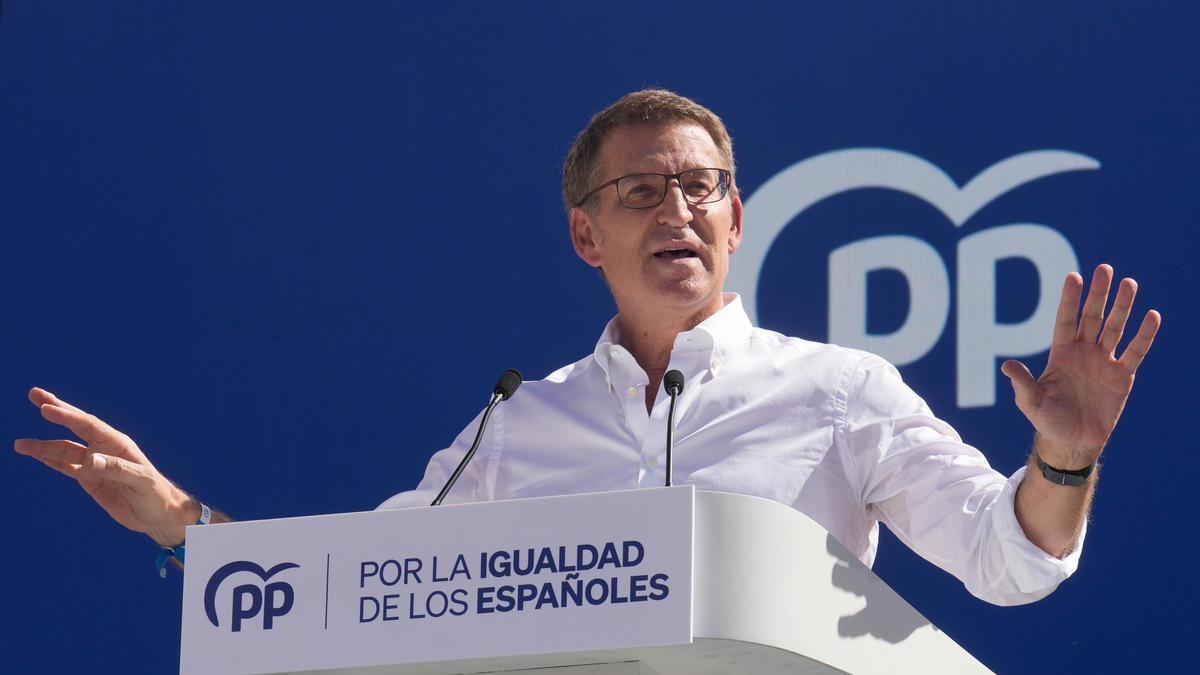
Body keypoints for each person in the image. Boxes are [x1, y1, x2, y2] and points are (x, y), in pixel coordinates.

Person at [14, 89, 1161, 603]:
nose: (681, 210)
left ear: (738, 219)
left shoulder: (842, 391)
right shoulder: (522, 424)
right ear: (585, 233)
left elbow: (1009, 565)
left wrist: (1062, 465)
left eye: (704, 187)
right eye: (645, 190)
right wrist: (178, 520)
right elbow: (350, 593)